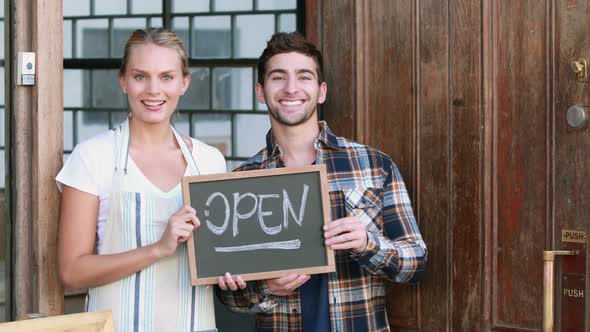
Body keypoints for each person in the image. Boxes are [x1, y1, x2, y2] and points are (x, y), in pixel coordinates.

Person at [216, 32, 427, 331]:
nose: (291, 88)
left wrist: (369, 244)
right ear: (261, 92)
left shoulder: (373, 165)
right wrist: (265, 288)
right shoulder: (242, 182)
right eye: (278, 77)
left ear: (321, 90)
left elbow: (416, 263)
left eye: (304, 77)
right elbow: (228, 297)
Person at [56, 28, 225, 332]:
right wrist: (157, 249)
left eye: (167, 77)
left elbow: (218, 255)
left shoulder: (209, 161)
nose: (153, 90)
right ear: (123, 81)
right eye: (140, 76)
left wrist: (232, 275)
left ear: (184, 83)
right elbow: (71, 271)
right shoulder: (93, 157)